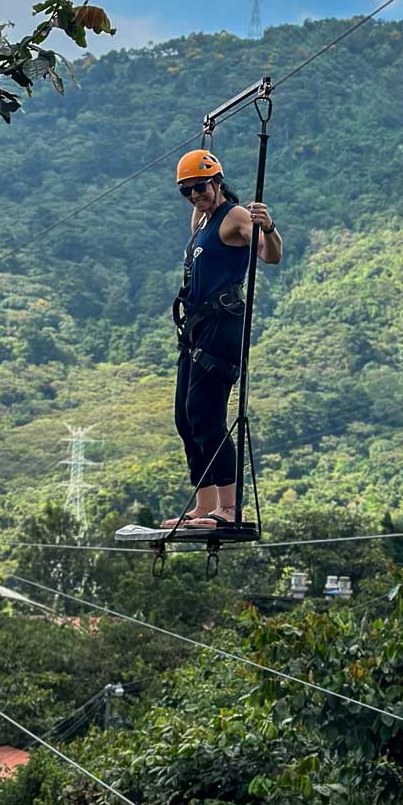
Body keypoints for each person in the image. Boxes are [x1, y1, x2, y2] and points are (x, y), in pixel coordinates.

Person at [164, 148, 282, 529]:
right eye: (188, 192)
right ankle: (204, 505)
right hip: (197, 328)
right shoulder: (202, 219)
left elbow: (270, 255)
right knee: (185, 418)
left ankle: (229, 509)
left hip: (224, 326)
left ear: (217, 182)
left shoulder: (234, 216)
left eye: (200, 188)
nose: (195, 196)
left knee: (206, 416)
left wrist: (268, 227)